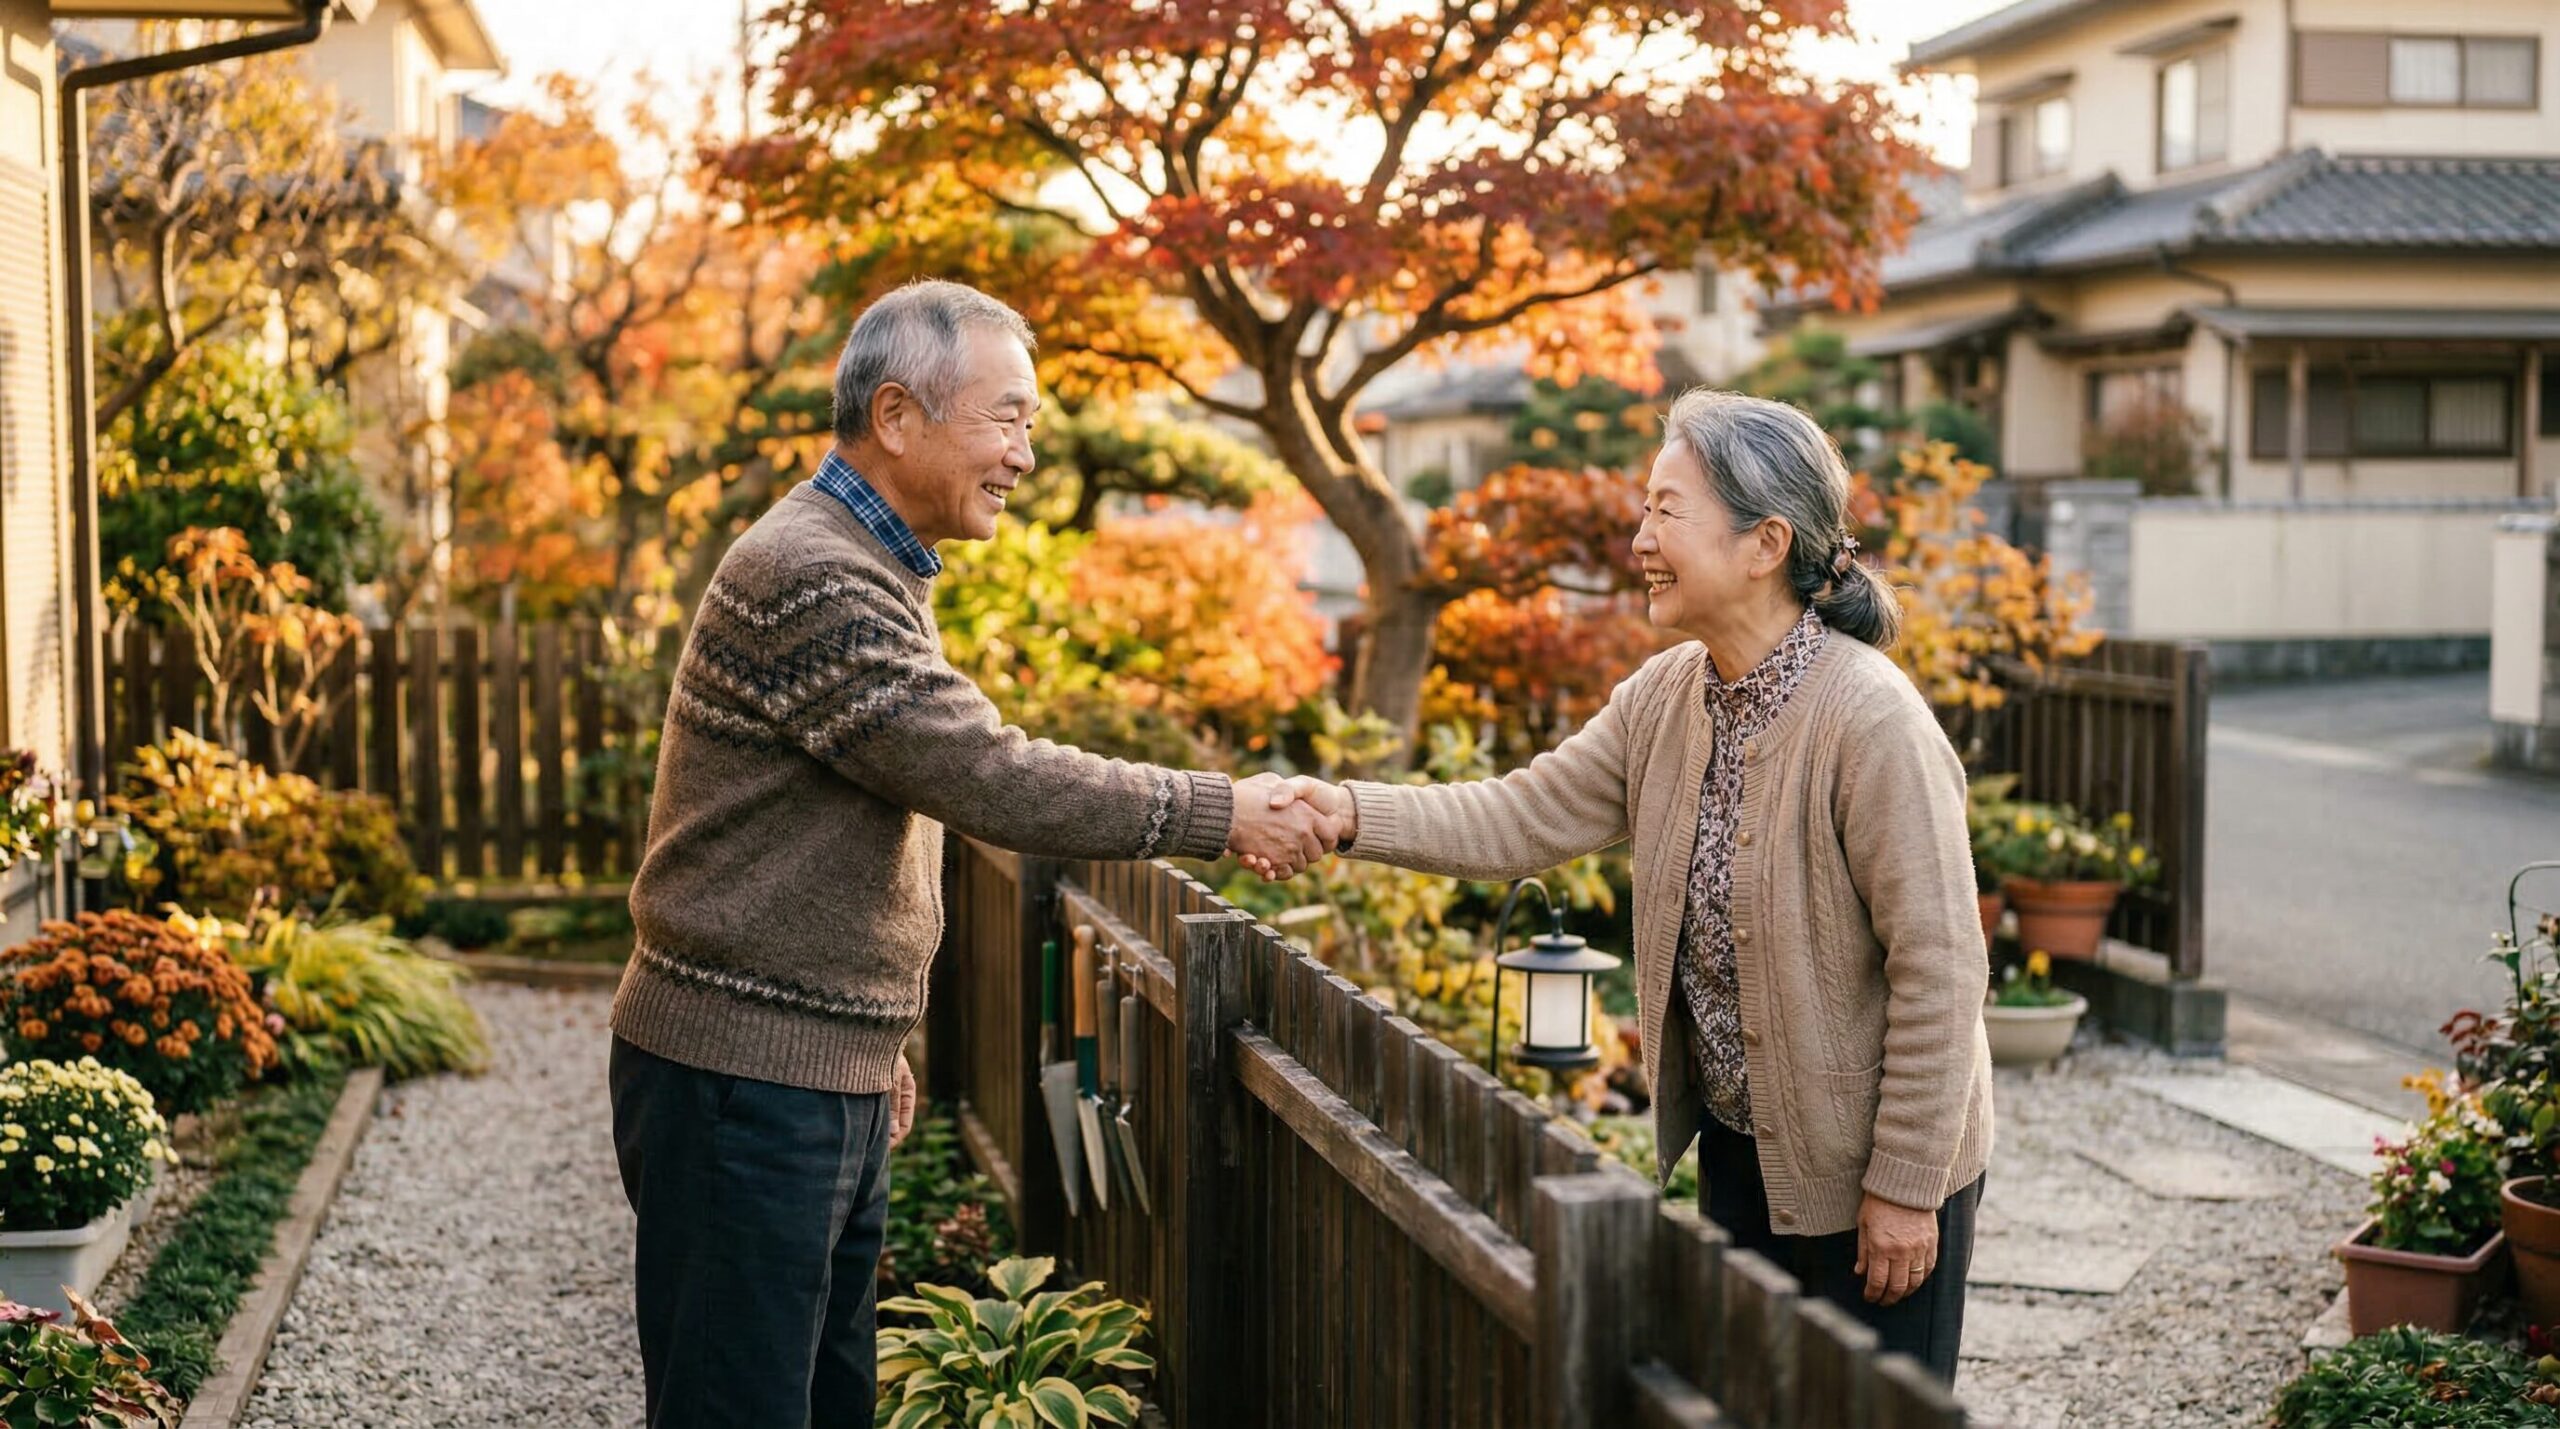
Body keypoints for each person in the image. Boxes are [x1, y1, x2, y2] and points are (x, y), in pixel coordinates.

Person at [607, 279, 1339, 1427]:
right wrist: (1219, 809)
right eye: (1008, 418)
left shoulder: (868, 560)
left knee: (825, 1398)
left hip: (799, 1068)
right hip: (745, 1085)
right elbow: (983, 771)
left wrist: (868, 1036)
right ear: (896, 416)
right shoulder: (817, 574)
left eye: (1033, 424)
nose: (1024, 453)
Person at [1265, 388, 1991, 1380]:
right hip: (1745, 1147)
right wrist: (1348, 811)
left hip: (1876, 1166)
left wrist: (1905, 1187)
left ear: (1763, 542)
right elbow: (1520, 815)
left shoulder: (1870, 721)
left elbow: (1941, 967)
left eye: (1665, 509)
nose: (1637, 537)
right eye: (1644, 508)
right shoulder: (1664, 698)